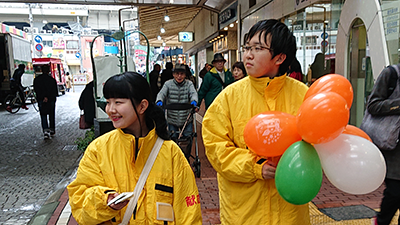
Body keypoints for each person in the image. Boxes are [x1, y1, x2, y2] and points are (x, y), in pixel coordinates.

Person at [202, 19, 309, 224]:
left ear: (279, 57)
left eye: (258, 48)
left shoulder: (302, 95)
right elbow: (216, 149)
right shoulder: (229, 97)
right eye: (247, 47)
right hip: (243, 213)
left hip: (290, 213)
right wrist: (255, 166)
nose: (248, 54)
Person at [67, 72, 202, 224]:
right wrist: (105, 200)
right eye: (108, 102)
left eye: (118, 102)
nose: (110, 109)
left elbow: (188, 213)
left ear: (142, 106)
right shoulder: (98, 150)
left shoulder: (171, 153)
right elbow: (79, 202)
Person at [366, 65, 400, 225]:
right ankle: (380, 221)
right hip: (394, 151)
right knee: (394, 193)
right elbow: (373, 105)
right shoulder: (391, 74)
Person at [156, 64, 198, 159]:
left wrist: (194, 101)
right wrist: (159, 101)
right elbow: (162, 93)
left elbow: (193, 93)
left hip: (186, 117)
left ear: (185, 75)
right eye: (177, 74)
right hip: (172, 116)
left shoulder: (189, 84)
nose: (179, 76)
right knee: (172, 138)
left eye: (182, 74)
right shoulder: (168, 84)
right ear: (173, 74)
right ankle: (174, 157)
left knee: (188, 138)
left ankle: (186, 157)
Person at [33, 65, 58, 139]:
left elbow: (36, 90)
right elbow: (54, 91)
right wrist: (48, 97)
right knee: (51, 114)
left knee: (43, 115)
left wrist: (43, 97)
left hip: (41, 99)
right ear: (48, 71)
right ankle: (52, 129)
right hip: (51, 100)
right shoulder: (52, 80)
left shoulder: (37, 80)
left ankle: (45, 130)